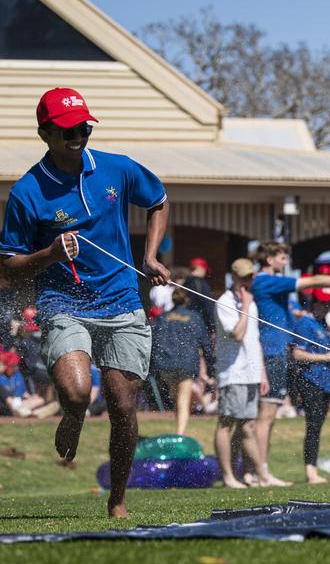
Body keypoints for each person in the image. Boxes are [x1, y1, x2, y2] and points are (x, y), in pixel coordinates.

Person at [0, 88, 171, 518]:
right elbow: (10, 265)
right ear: (45, 133)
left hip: (122, 302)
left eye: (83, 127)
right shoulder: (27, 192)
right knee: (77, 393)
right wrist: (49, 254)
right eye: (67, 129)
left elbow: (159, 200)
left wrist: (149, 257)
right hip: (64, 303)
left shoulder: (117, 168)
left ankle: (117, 499)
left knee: (123, 403)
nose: (78, 135)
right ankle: (72, 416)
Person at [251, 241, 330, 472]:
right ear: (270, 259)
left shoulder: (273, 285)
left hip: (277, 352)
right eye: (282, 258)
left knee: (270, 415)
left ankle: (258, 470)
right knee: (266, 415)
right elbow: (313, 281)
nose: (286, 263)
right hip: (271, 352)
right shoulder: (266, 280)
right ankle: (259, 472)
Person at [214, 258, 287, 488]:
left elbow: (253, 341)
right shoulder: (224, 302)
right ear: (233, 278)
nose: (248, 281)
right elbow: (237, 333)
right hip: (233, 372)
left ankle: (254, 475)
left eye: (250, 277)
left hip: (251, 374)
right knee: (228, 424)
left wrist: (262, 374)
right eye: (244, 277)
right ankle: (230, 477)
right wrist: (245, 306)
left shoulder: (251, 303)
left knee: (247, 426)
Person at [291, 285, 330, 484]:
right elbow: (297, 354)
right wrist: (325, 357)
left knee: (318, 426)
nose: (327, 307)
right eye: (323, 303)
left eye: (329, 303)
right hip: (310, 379)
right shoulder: (305, 323)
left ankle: (313, 468)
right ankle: (310, 471)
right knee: (313, 426)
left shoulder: (324, 324)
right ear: (315, 303)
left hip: (326, 381)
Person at [150, 288, 214, 436]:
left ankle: (179, 430)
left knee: (177, 397)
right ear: (187, 300)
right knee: (183, 399)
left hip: (165, 363)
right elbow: (206, 344)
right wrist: (211, 367)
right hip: (186, 363)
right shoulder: (194, 317)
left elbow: (154, 341)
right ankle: (180, 435)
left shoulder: (162, 317)